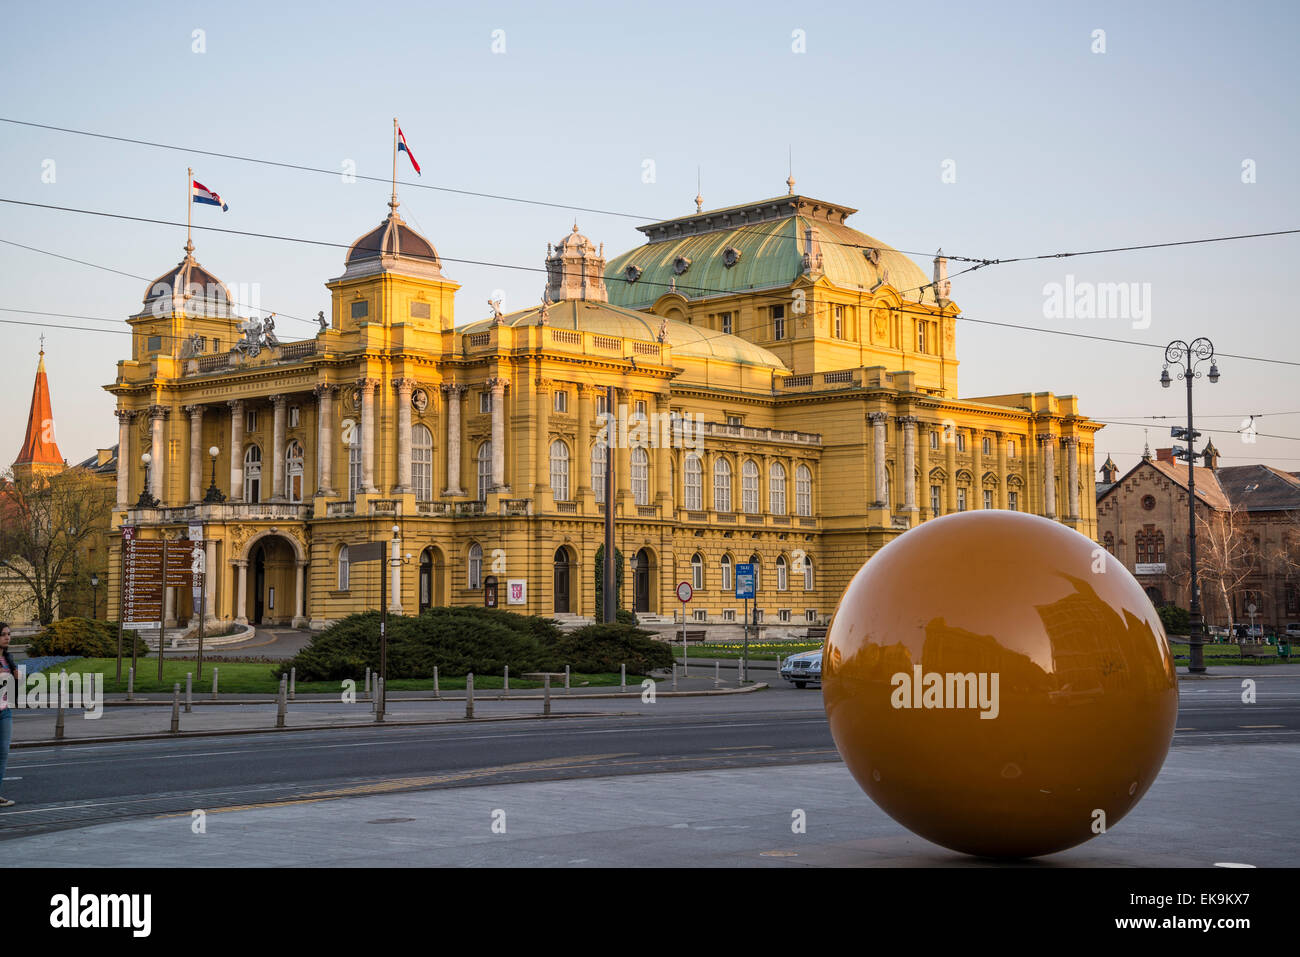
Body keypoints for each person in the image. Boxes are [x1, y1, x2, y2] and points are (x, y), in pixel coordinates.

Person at [0, 622, 15, 808]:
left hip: (5, 711)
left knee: (3, 754)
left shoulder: (9, 659)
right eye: (3, 634)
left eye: (9, 634)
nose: (7, 637)